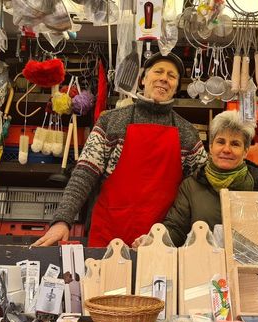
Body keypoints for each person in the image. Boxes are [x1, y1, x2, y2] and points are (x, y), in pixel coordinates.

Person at [33, 52, 207, 247]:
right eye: (158, 71)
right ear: (143, 79)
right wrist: (62, 220)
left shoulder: (188, 134)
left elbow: (202, 187)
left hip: (160, 242)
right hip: (109, 234)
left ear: (176, 87)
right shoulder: (111, 121)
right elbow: (84, 174)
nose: (164, 78)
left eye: (171, 75)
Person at [144, 110, 258, 247]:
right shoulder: (191, 185)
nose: (226, 149)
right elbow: (176, 228)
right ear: (210, 147)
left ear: (245, 151)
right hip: (205, 270)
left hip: (251, 273)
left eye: (235, 144)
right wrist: (155, 240)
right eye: (220, 142)